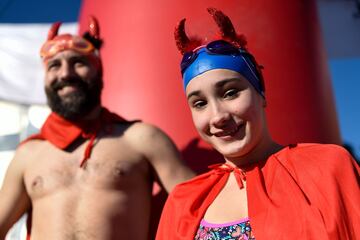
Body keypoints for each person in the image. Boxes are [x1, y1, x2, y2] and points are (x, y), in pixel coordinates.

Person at [156, 8, 360, 240]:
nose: (217, 116)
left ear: (260, 93)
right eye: (200, 103)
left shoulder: (329, 167)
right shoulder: (183, 201)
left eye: (231, 93)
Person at [0, 17, 194, 240]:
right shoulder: (28, 155)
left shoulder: (141, 138)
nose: (65, 74)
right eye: (54, 65)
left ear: (98, 71)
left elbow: (200, 209)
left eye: (78, 62)